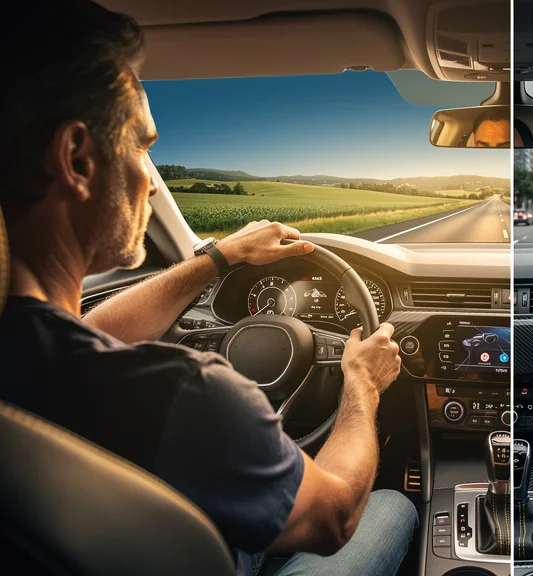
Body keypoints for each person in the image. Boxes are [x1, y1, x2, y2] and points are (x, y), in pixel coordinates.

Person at [0, 2, 416, 575]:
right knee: (391, 505)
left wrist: (218, 257)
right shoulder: (185, 396)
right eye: (142, 148)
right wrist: (361, 385)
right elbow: (333, 517)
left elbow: (87, 335)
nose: (152, 183)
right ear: (76, 159)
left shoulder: (36, 356)